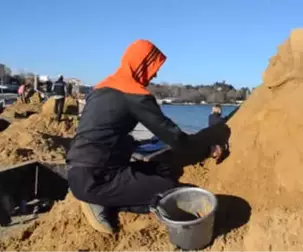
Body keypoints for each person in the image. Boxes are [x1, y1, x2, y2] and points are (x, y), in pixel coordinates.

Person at [66, 39, 222, 234]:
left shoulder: (102, 88)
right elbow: (174, 137)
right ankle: (100, 203)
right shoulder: (133, 94)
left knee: (161, 168)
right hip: (96, 179)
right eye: (153, 67)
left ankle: (102, 195)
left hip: (82, 169)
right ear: (142, 65)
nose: (155, 74)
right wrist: (207, 149)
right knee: (167, 188)